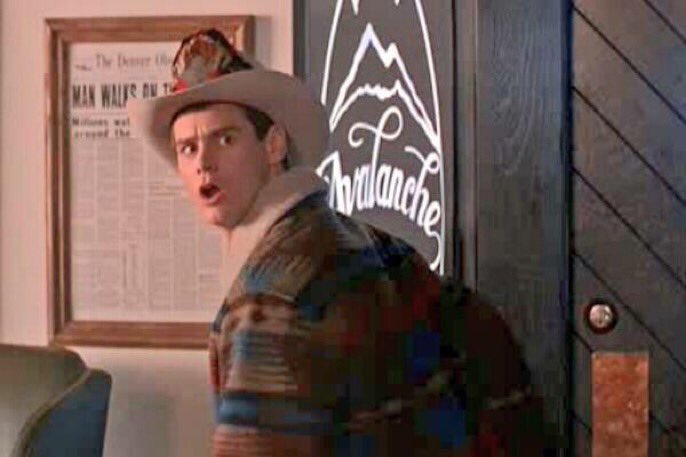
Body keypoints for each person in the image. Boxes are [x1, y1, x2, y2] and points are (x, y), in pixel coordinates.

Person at [127, 28, 549, 456]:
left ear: (273, 145)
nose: (204, 163)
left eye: (225, 138)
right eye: (187, 148)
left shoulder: (270, 298)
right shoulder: (370, 243)